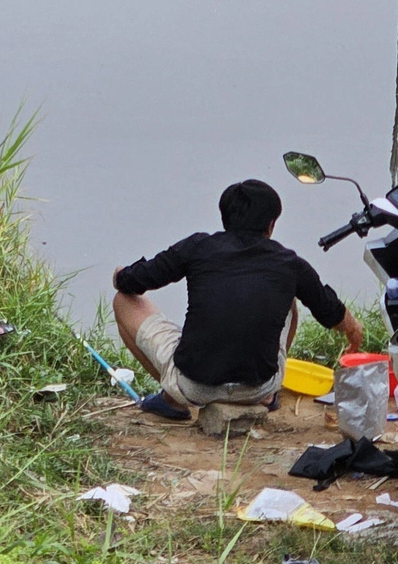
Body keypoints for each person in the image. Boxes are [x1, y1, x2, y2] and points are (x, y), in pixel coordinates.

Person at [112, 178, 364, 420]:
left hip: (194, 386)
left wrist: (120, 275)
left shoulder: (197, 247)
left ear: (225, 218)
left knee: (122, 301)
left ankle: (173, 398)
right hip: (259, 387)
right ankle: (268, 397)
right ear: (271, 224)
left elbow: (132, 283)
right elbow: (331, 312)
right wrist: (353, 330)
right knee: (286, 298)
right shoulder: (288, 263)